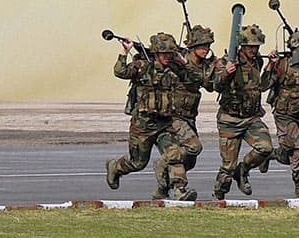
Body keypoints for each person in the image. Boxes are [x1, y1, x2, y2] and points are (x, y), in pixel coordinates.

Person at [106, 32, 200, 201]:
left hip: (164, 124)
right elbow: (120, 72)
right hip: (143, 125)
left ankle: (180, 190)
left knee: (174, 154)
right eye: (165, 53)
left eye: (171, 53)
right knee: (137, 163)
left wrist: (184, 63)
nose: (168, 57)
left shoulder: (175, 68)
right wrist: (124, 53)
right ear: (156, 53)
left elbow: (195, 80)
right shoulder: (142, 66)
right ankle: (116, 168)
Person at [152, 25, 216, 200]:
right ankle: (177, 185)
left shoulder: (204, 66)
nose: (206, 49)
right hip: (173, 116)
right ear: (193, 47)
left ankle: (163, 187)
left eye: (208, 46)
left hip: (189, 117)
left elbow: (208, 84)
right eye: (203, 46)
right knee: (194, 147)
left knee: (189, 160)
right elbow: (159, 60)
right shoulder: (177, 60)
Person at [211, 24, 274, 200]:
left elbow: (261, 86)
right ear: (242, 46)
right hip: (230, 120)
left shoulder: (258, 62)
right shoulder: (227, 61)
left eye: (256, 47)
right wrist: (226, 73)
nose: (254, 50)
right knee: (228, 166)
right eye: (250, 47)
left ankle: (243, 170)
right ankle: (219, 194)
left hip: (251, 118)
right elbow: (215, 85)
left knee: (265, 148)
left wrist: (270, 67)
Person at [260, 28, 299, 196]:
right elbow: (263, 85)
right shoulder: (283, 64)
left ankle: (270, 155)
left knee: (292, 151)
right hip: (284, 115)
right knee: (298, 148)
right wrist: (271, 65)